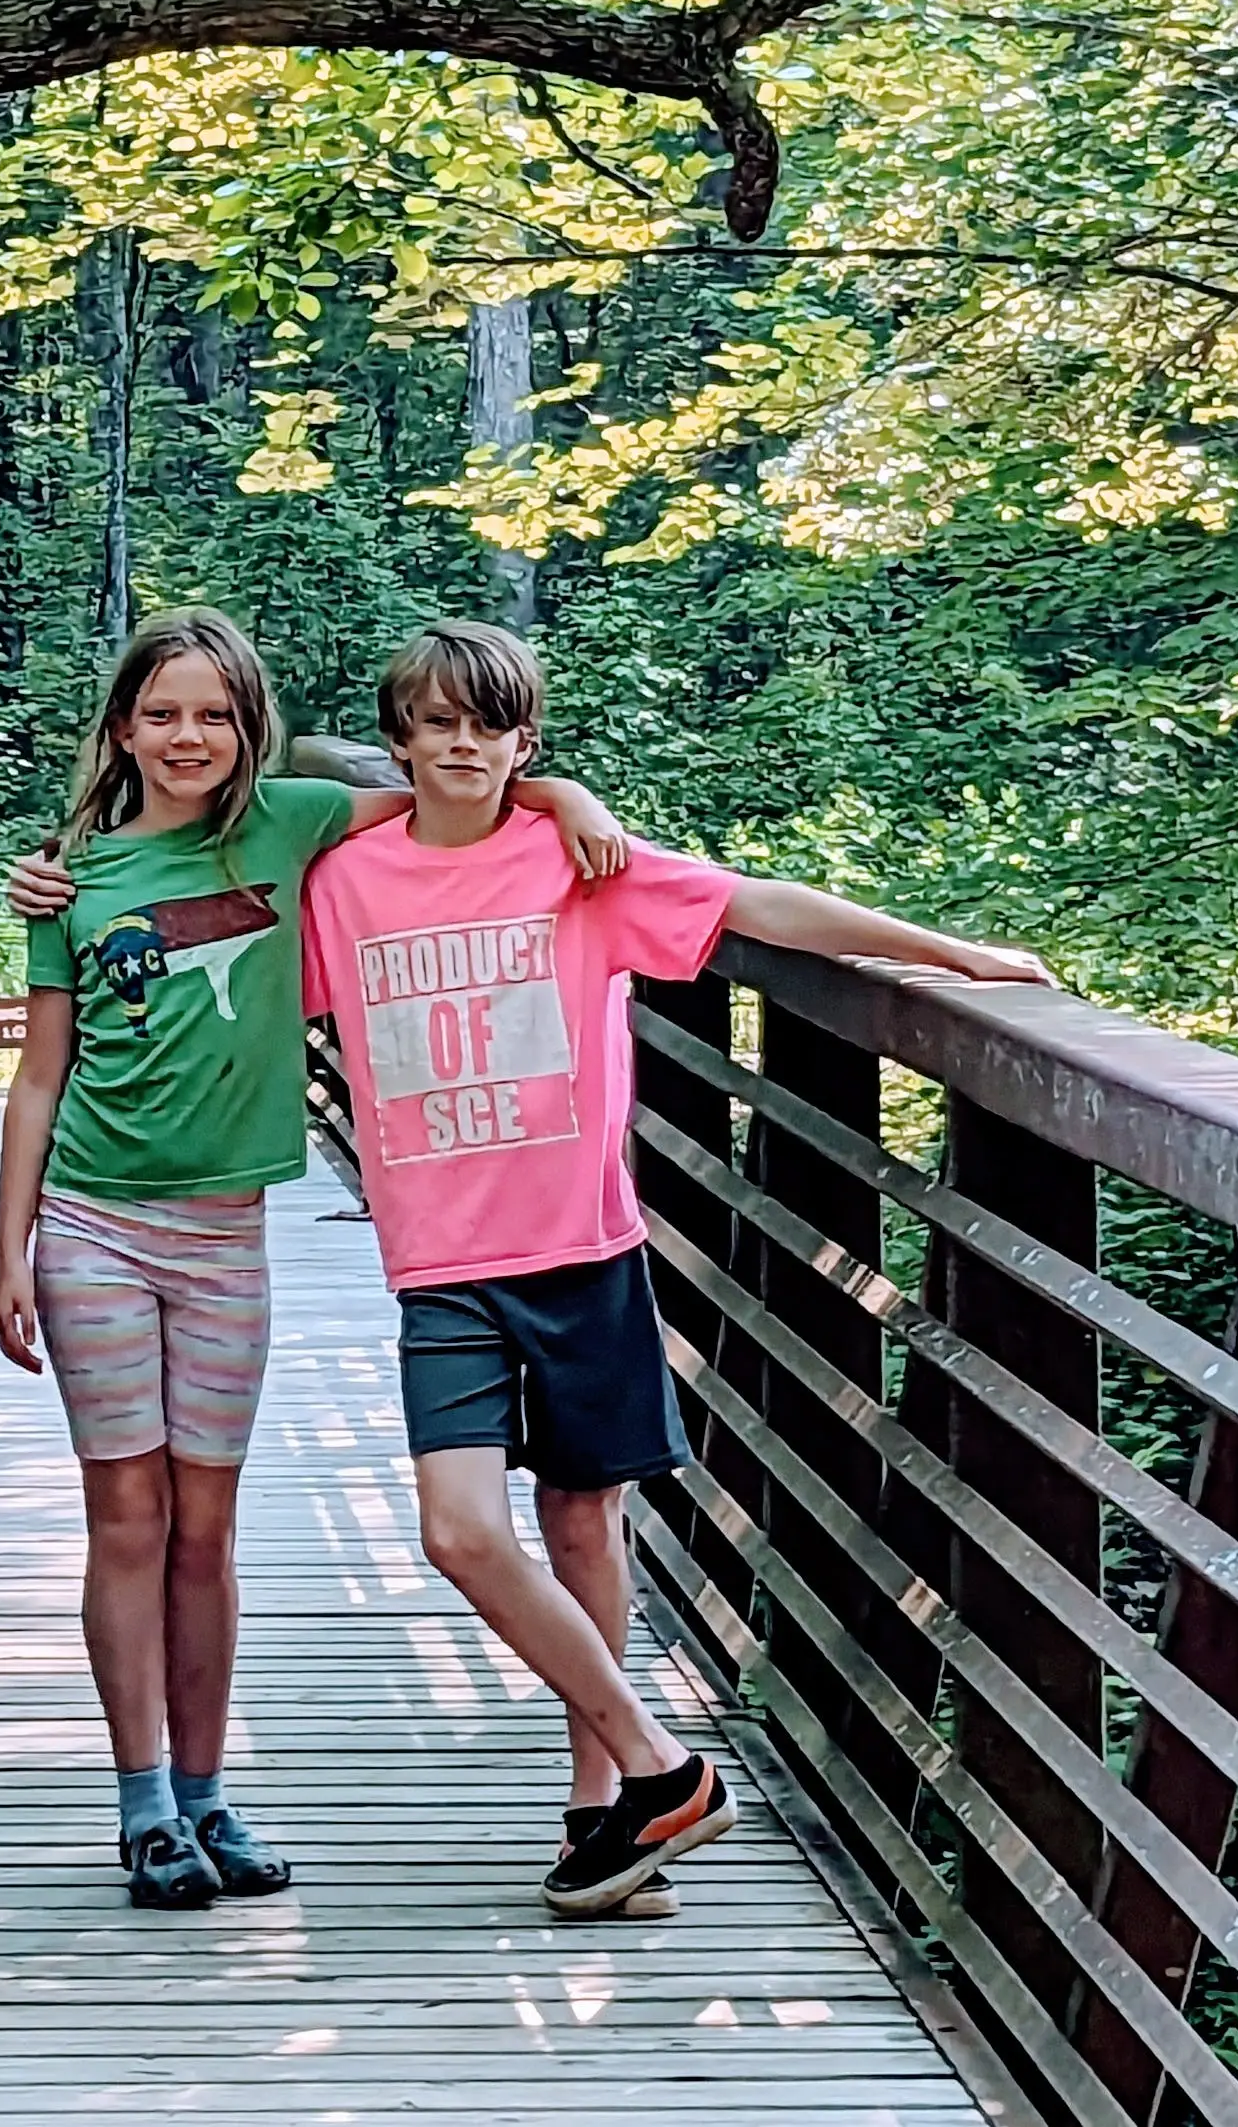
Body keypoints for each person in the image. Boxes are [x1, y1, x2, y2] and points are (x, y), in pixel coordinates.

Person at [291, 620, 1053, 1915]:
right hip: (443, 1264)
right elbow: (255, 806)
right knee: (461, 1529)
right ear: (402, 739)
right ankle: (664, 1765)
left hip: (582, 1251)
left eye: (491, 726)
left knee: (584, 1521)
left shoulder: (576, 863)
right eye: (434, 723)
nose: (461, 744)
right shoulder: (345, 877)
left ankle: (608, 1816)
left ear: (522, 739)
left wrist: (949, 952)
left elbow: (756, 905)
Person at [0, 607, 626, 1910]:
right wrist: (11, 1245)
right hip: (95, 1226)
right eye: (161, 712)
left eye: (212, 715)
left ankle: (210, 1792)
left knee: (206, 1526)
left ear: (248, 730)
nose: (187, 736)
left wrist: (561, 787)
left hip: (228, 1230)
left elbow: (452, 782)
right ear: (121, 726)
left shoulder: (289, 825)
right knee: (127, 1514)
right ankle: (142, 1804)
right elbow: (40, 1070)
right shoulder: (75, 871)